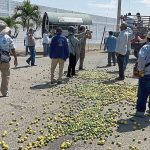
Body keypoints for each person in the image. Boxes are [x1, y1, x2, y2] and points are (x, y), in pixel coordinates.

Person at [135, 32, 150, 117]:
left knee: (143, 93)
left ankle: (140, 112)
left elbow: (141, 60)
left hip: (146, 74)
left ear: (147, 38)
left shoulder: (146, 47)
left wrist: (141, 71)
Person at [0, 23, 18, 97]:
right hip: (5, 59)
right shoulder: (8, 38)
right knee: (5, 75)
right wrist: (15, 58)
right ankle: (4, 92)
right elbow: (12, 49)